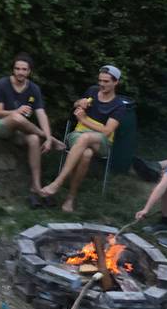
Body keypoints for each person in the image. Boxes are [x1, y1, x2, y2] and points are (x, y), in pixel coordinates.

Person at [40, 65, 125, 213]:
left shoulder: (119, 106)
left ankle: (58, 182)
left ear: (116, 82)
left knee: (86, 138)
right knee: (86, 154)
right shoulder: (92, 91)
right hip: (79, 134)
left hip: (101, 141)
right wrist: (79, 103)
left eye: (106, 81)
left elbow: (107, 131)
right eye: (100, 80)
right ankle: (70, 198)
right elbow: (76, 105)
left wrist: (84, 120)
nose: (101, 84)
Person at [0, 53, 62, 199]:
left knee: (34, 139)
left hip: (18, 130)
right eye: (17, 69)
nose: (20, 72)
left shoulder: (34, 89)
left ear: (29, 71)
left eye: (24, 69)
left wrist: (45, 136)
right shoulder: (1, 84)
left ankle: (36, 185)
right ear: (13, 70)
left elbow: (41, 114)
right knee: (17, 117)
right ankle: (50, 139)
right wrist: (17, 111)